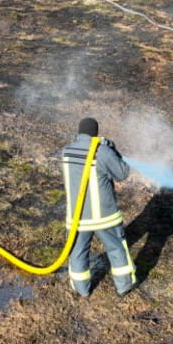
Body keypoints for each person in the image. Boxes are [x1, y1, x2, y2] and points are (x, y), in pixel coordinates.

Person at [61, 117, 136, 297]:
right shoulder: (102, 152)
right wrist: (112, 149)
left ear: (79, 132)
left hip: (77, 219)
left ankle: (81, 290)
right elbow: (122, 173)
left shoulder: (66, 151)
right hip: (105, 217)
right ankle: (124, 286)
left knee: (77, 253)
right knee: (117, 249)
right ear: (96, 133)